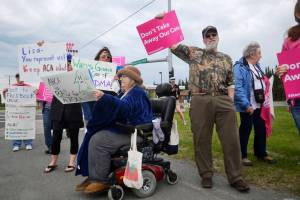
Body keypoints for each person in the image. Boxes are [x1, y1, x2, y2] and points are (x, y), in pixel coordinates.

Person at [156, 13, 249, 192]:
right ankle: (206, 174)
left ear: (218, 37)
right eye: (208, 35)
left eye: (214, 34)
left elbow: (231, 82)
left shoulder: (227, 58)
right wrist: (163, 21)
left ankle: (236, 177)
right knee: (201, 139)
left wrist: (230, 99)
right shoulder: (194, 52)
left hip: (223, 100)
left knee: (232, 140)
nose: (211, 37)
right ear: (203, 39)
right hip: (200, 99)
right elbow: (172, 44)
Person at [75, 66, 153, 194]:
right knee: (95, 135)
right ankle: (94, 175)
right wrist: (102, 99)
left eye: (124, 76)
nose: (121, 79)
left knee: (99, 140)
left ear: (133, 80)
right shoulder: (125, 93)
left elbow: (125, 109)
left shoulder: (137, 92)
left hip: (136, 133)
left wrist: (105, 97)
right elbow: (117, 107)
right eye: (120, 76)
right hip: (126, 130)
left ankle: (100, 180)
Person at [234, 42, 276, 166]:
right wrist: (246, 105)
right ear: (252, 54)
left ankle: (261, 153)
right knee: (246, 129)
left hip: (260, 105)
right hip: (248, 106)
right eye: (259, 53)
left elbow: (262, 81)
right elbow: (238, 87)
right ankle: (242, 155)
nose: (261, 56)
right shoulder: (239, 67)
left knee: (261, 129)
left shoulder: (257, 66)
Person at [44, 58, 84, 173]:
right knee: (56, 137)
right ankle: (53, 162)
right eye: (65, 65)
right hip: (58, 111)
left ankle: (71, 162)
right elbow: (46, 90)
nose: (67, 67)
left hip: (73, 111)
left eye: (69, 65)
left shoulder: (78, 77)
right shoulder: (55, 77)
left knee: (74, 137)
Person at [276, 0, 300, 134]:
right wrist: (281, 71)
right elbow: (283, 68)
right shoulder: (290, 40)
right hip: (298, 100)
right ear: (298, 13)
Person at [81, 47, 116, 125]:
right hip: (93, 113)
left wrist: (117, 82)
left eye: (108, 57)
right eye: (103, 57)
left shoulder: (115, 75)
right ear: (97, 60)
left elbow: (117, 95)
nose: (106, 58)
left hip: (108, 114)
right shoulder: (89, 74)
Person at [3, 73, 33, 151]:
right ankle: (16, 144)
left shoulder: (29, 87)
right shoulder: (12, 87)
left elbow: (34, 96)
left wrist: (35, 91)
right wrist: (4, 92)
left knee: (27, 126)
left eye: (21, 77)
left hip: (26, 111)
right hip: (15, 111)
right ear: (16, 78)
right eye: (18, 78)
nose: (19, 79)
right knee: (16, 127)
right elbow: (6, 99)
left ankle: (28, 143)